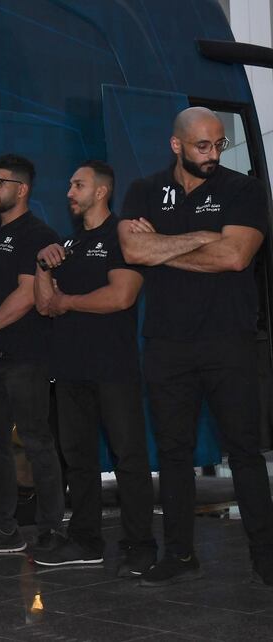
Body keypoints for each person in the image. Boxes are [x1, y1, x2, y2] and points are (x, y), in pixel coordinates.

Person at [119, 106, 273, 587]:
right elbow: (132, 251)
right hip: (166, 344)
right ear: (177, 145)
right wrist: (198, 238)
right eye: (202, 146)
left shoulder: (242, 189)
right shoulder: (144, 190)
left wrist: (164, 246)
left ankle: (265, 555)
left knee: (245, 452)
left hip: (228, 341)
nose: (212, 154)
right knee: (173, 453)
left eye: (218, 144)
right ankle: (181, 553)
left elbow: (234, 256)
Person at [33, 160, 157, 575]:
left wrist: (68, 302)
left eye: (77, 184)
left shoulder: (122, 236)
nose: (69, 191)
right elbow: (43, 304)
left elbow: (122, 296)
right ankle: (86, 541)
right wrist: (42, 266)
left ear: (101, 192)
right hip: (71, 369)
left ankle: (140, 544)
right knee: (79, 458)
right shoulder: (67, 246)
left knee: (129, 457)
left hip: (112, 368)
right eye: (70, 184)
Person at [0, 154, 65, 555]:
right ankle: (4, 531)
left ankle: (52, 531)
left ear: (22, 190)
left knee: (37, 442)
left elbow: (26, 295)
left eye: (0, 182)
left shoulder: (38, 234)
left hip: (24, 359)